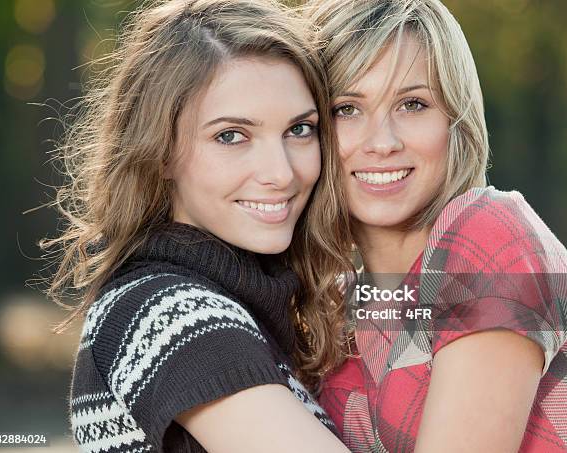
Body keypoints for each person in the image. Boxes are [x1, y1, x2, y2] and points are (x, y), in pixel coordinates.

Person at [39, 0, 352, 451]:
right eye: (231, 136)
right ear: (160, 151)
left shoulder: (237, 305)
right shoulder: (169, 314)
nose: (281, 173)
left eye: (299, 130)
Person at [302, 0, 567, 451]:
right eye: (347, 109)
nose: (383, 142)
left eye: (413, 104)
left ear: (455, 122)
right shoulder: (335, 312)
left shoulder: (487, 230)